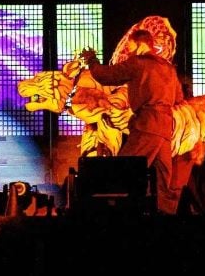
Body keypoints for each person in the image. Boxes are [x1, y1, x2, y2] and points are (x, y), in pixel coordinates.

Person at [74, 28, 185, 214]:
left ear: (140, 44)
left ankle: (123, 215)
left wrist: (92, 60)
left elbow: (106, 76)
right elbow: (178, 98)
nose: (129, 49)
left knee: (125, 169)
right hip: (165, 127)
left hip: (147, 124)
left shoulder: (138, 63)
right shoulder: (168, 68)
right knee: (162, 178)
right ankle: (166, 216)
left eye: (130, 45)